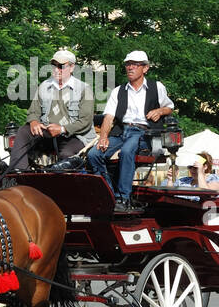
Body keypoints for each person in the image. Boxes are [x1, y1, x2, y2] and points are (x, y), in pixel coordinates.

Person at [89, 50, 174, 212]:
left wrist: (159, 111)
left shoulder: (157, 87)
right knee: (94, 155)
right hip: (121, 132)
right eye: (128, 64)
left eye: (135, 64)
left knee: (127, 151)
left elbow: (169, 108)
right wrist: (103, 137)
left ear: (145, 68)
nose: (130, 67)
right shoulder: (118, 91)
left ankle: (124, 197)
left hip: (145, 133)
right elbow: (108, 117)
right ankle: (110, 195)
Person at [10, 49, 95, 171]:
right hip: (47, 134)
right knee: (23, 131)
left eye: (61, 66)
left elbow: (85, 122)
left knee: (66, 157)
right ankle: (20, 174)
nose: (56, 69)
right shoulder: (44, 86)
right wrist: (34, 122)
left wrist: (62, 129)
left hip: (75, 137)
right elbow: (33, 112)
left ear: (72, 68)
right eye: (54, 65)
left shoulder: (84, 89)